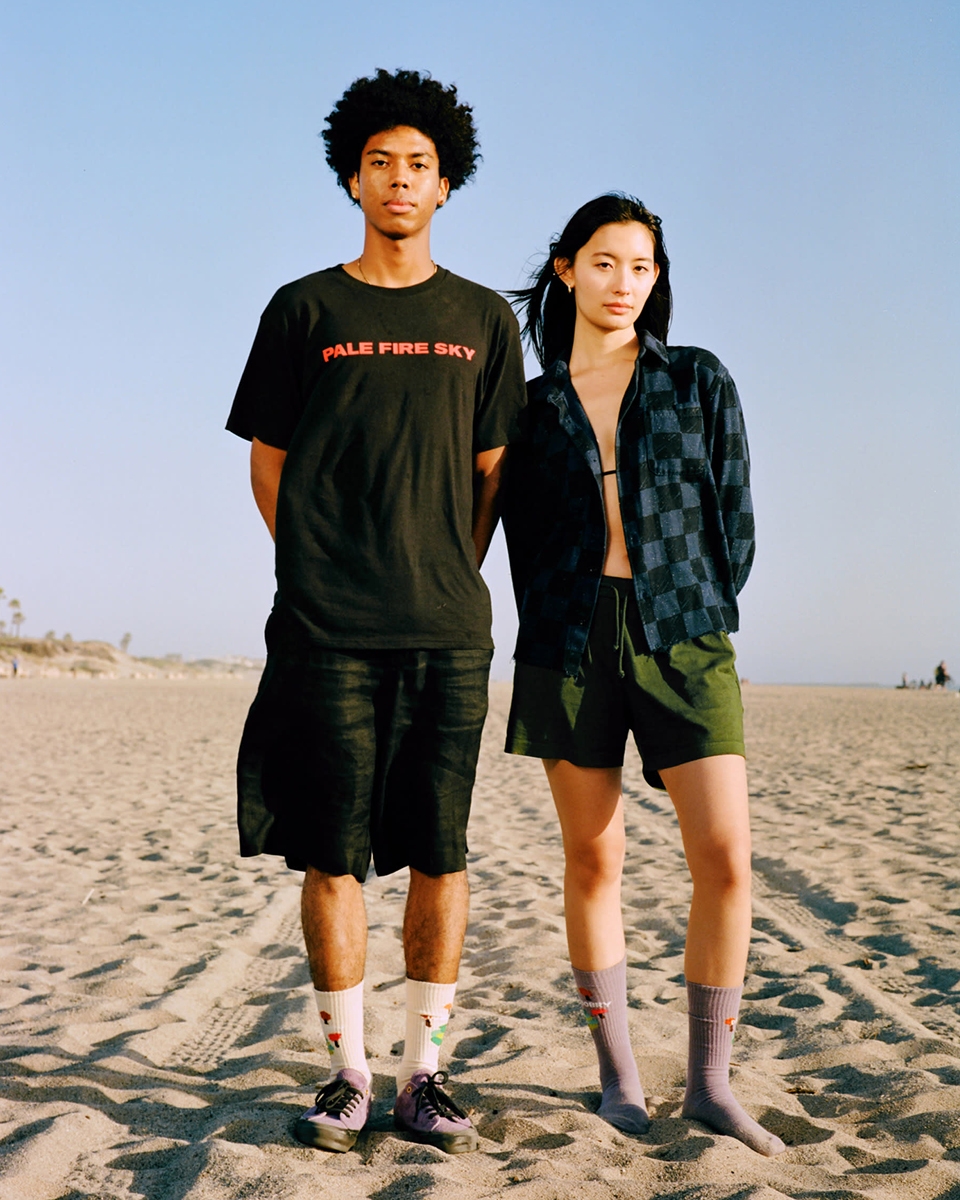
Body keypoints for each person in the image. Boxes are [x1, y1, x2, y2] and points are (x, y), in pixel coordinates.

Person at [226, 69, 526, 1155]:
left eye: (421, 166)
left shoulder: (486, 319)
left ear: (448, 186)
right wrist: (316, 564)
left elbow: (493, 470)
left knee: (442, 851)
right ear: (351, 177)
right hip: (324, 626)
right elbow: (269, 461)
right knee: (333, 852)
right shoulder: (304, 308)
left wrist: (447, 565)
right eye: (381, 163)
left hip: (449, 625)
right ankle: (349, 1072)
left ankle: (424, 1075)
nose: (401, 180)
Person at [502, 194, 784, 1156]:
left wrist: (689, 597)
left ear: (658, 279)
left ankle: (710, 1083)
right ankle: (618, 1079)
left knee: (727, 860)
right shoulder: (530, 406)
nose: (625, 283)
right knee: (594, 860)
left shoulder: (698, 379)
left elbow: (734, 525)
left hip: (688, 635)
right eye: (606, 263)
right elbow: (516, 536)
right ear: (567, 271)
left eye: (643, 267)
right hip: (570, 642)